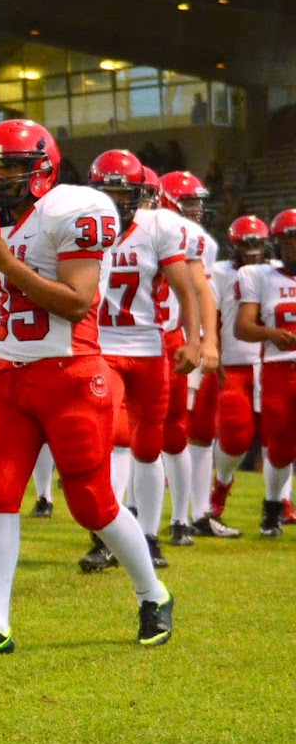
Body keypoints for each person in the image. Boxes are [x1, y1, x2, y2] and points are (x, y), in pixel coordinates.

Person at [0, 118, 173, 658]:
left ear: (42, 168)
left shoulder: (72, 208)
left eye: (10, 168)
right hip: (6, 375)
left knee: (93, 503)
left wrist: (6, 262)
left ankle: (153, 594)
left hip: (69, 372)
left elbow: (76, 301)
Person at [80, 151, 199, 572]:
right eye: (108, 191)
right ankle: (108, 535)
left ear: (143, 193)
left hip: (149, 346)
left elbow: (187, 288)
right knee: (108, 440)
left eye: (123, 192)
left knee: (148, 448)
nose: (116, 200)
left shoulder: (160, 225)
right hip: (102, 346)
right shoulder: (83, 224)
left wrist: (193, 338)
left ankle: (147, 537)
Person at [154, 171, 221, 534]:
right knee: (129, 433)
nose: (196, 208)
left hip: (167, 337)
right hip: (130, 338)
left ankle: (180, 517)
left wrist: (202, 339)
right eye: (189, 200)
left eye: (197, 201)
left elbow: (200, 291)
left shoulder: (192, 237)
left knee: (174, 428)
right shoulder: (122, 227)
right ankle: (131, 511)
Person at [197, 215, 269, 537]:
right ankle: (220, 488)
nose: (252, 251)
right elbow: (212, 315)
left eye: (257, 244)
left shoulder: (278, 270)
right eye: (246, 245)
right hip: (235, 365)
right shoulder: (221, 273)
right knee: (237, 436)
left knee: (281, 436)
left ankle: (279, 502)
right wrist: (214, 351)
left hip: (273, 364)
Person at [233, 208, 296, 537]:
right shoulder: (261, 276)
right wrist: (271, 334)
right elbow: (242, 328)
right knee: (281, 446)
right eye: (288, 241)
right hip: (278, 369)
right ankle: (273, 507)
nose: (294, 247)